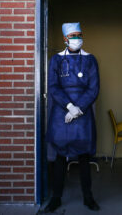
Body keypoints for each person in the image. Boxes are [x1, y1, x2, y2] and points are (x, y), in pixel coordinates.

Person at [44, 22, 100, 213]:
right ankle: (56, 198)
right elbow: (53, 87)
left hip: (82, 115)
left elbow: (94, 88)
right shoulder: (56, 60)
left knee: (84, 157)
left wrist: (78, 108)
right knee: (61, 156)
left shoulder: (91, 60)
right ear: (65, 39)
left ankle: (88, 197)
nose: (77, 38)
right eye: (73, 35)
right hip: (62, 114)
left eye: (79, 35)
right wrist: (69, 106)